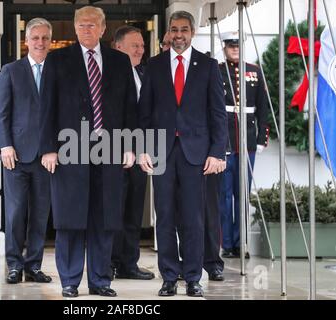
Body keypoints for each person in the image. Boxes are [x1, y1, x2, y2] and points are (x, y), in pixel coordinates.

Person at [40, 6, 137, 298]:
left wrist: (130, 146)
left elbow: (129, 107)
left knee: (104, 219)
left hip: (109, 150)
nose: (86, 30)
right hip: (69, 150)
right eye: (81, 25)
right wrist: (48, 149)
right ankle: (70, 281)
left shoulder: (120, 62)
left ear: (103, 29)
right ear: (75, 27)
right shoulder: (57, 60)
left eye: (92, 25)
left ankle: (100, 280)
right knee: (70, 218)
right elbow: (47, 109)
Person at [138, 11, 227, 297]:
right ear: (168, 33)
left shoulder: (209, 66)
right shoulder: (154, 65)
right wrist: (141, 149)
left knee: (193, 218)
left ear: (192, 33)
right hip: (161, 152)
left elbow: (218, 114)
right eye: (174, 30)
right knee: (164, 216)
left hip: (196, 154)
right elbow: (144, 113)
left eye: (184, 30)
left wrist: (217, 152)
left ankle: (192, 278)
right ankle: (169, 277)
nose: (179, 35)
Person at [0, 18, 53, 284]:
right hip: (16, 156)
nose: (40, 42)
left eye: (44, 38)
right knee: (16, 213)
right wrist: (5, 145)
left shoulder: (57, 70)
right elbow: (1, 113)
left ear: (50, 41)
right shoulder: (11, 70)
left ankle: (34, 265)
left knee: (40, 215)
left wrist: (57, 148)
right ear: (26, 41)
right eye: (35, 38)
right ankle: (14, 265)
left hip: (47, 157)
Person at [219, 31, 269, 259]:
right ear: (225, 48)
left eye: (238, 46)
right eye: (231, 46)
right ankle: (227, 244)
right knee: (224, 194)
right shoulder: (217, 70)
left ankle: (241, 243)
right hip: (224, 139)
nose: (235, 49)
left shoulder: (255, 71)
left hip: (247, 140)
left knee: (243, 195)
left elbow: (263, 107)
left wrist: (261, 139)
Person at [111, 25, 155, 281]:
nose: (140, 50)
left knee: (133, 210)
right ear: (118, 47)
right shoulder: (108, 74)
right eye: (134, 45)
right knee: (112, 211)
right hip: (113, 152)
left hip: (140, 153)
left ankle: (129, 262)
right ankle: (109, 263)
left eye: (141, 45)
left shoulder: (144, 72)